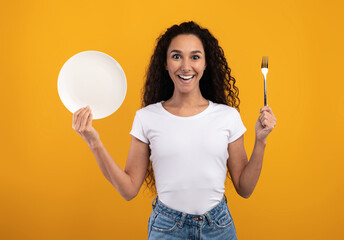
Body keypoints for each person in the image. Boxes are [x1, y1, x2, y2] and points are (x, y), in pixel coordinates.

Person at [72, 21, 277, 240]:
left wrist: (261, 141)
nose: (186, 66)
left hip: (218, 228)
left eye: (195, 57)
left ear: (206, 63)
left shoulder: (228, 116)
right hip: (167, 229)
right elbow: (128, 190)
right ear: (165, 63)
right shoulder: (147, 117)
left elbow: (245, 189)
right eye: (177, 56)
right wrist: (95, 143)